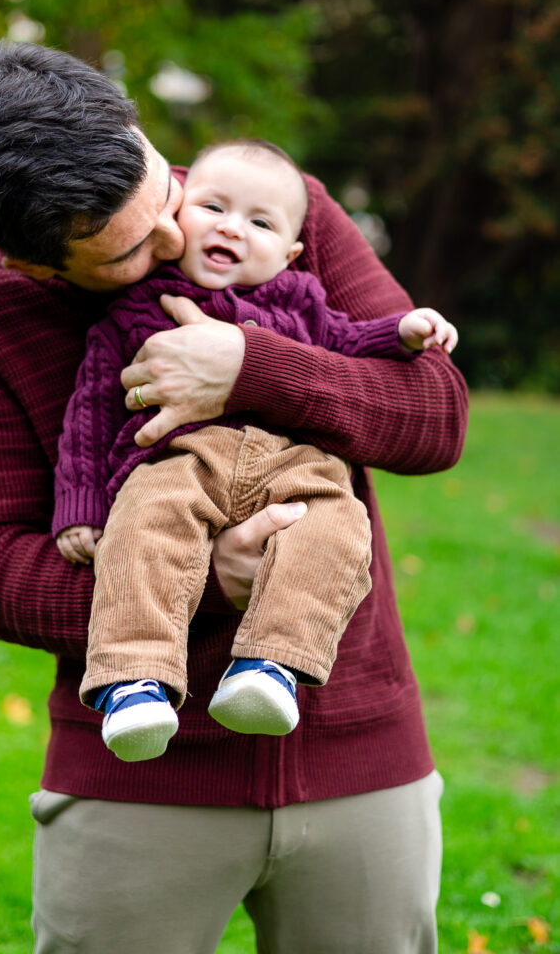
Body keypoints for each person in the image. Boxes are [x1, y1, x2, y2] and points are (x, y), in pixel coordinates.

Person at [0, 41, 467, 954]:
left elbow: (433, 417)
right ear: (34, 267)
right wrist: (211, 574)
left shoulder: (269, 206)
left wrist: (254, 368)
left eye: (158, 195)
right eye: (130, 250)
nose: (180, 237)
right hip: (139, 776)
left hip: (359, 753)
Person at [53, 138, 459, 762]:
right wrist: (80, 503)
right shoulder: (136, 307)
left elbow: (351, 341)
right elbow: (88, 407)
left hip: (297, 464)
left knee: (338, 528)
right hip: (180, 460)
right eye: (213, 208)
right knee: (140, 528)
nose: (232, 229)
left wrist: (402, 332)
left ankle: (271, 668)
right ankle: (133, 681)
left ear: (292, 251)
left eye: (260, 223)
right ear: (177, 215)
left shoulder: (303, 300)